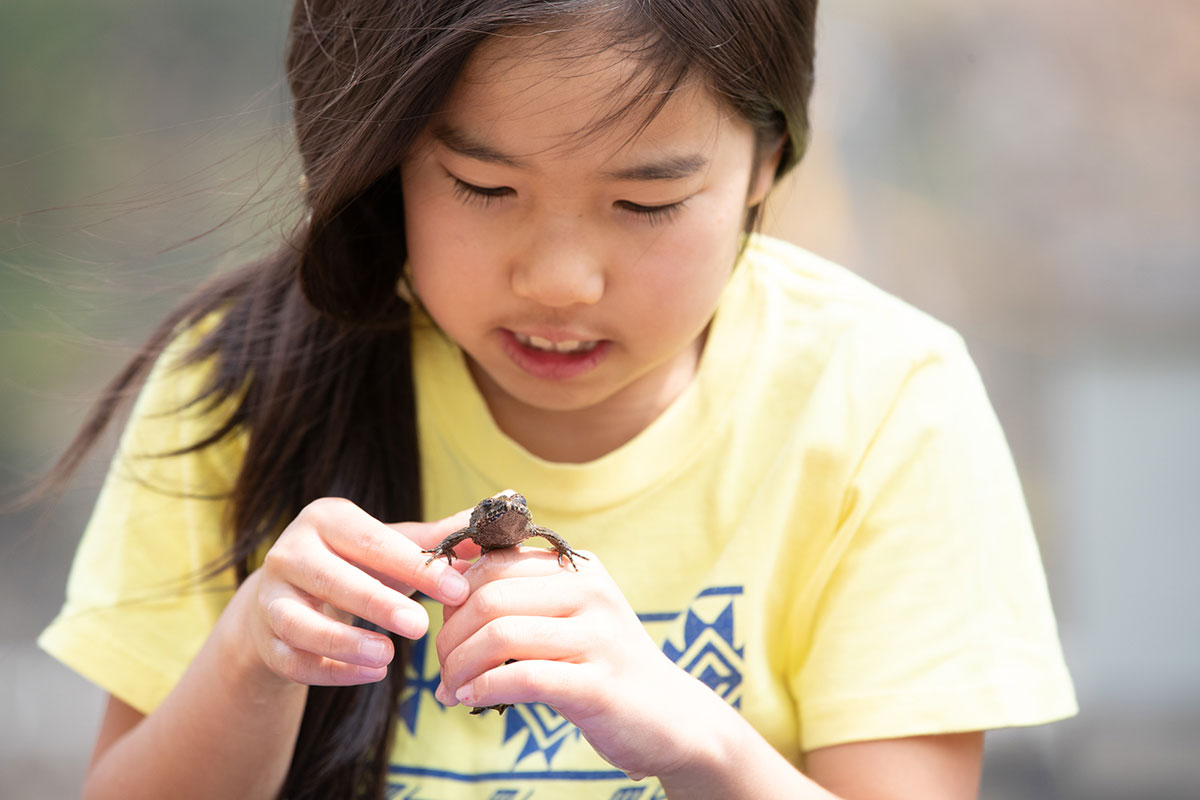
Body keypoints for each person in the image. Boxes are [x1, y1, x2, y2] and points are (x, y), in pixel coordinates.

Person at [37, 1, 1078, 798]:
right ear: (385, 155)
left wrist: (690, 734)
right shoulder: (242, 383)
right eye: (485, 188)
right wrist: (250, 660)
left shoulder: (887, 402)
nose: (561, 279)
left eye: (646, 202)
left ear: (767, 161)